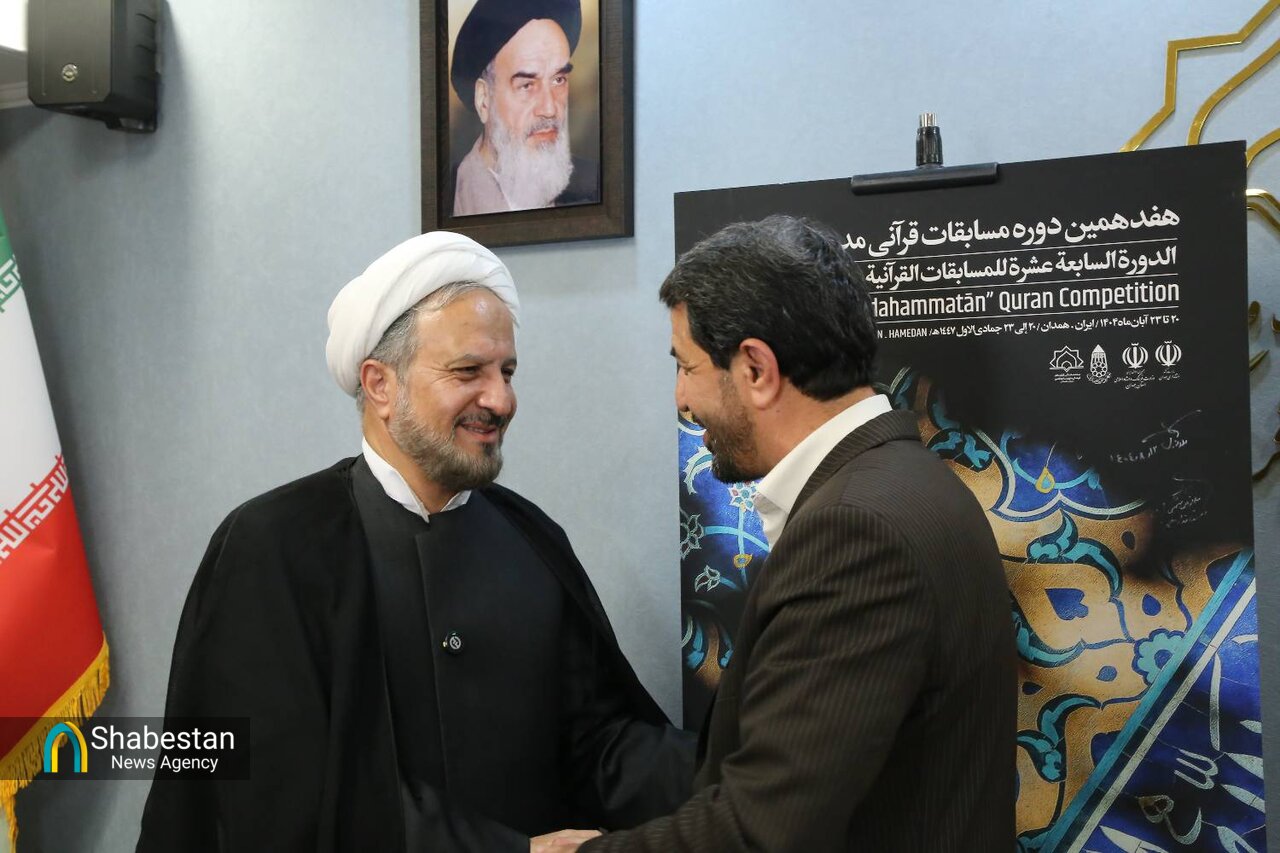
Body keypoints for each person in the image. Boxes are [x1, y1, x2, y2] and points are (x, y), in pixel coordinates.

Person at [136, 231, 693, 852]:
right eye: (468, 371)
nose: (501, 399)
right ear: (380, 385)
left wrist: (735, 777)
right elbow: (280, 792)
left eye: (507, 372)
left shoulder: (530, 539)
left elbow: (596, 743)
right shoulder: (273, 547)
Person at [573, 215, 1016, 851]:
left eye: (687, 367)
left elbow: (762, 831)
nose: (681, 399)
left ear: (756, 369)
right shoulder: (908, 482)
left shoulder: (857, 533)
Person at [449, 0, 599, 216]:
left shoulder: (595, 186)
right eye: (527, 85)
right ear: (483, 100)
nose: (549, 109)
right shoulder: (449, 199)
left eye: (558, 80)